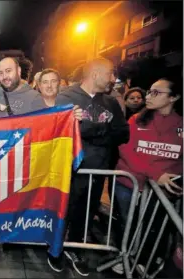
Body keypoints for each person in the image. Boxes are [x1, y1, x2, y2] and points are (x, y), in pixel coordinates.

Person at [55, 58, 129, 276]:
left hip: (98, 171)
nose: (112, 79)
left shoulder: (111, 103)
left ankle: (76, 249)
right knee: (64, 211)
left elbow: (123, 133)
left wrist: (89, 129)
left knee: (85, 213)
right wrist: (100, 129)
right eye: (109, 74)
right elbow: (63, 130)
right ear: (96, 74)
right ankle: (56, 249)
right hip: (71, 169)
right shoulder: (66, 96)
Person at [111, 78, 182, 275]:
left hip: (162, 192)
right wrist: (155, 174)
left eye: (156, 93)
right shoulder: (136, 120)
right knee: (127, 223)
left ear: (174, 97)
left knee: (154, 228)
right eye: (149, 92)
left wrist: (172, 176)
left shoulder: (181, 125)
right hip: (129, 184)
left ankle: (144, 260)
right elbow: (126, 150)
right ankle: (125, 254)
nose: (148, 97)